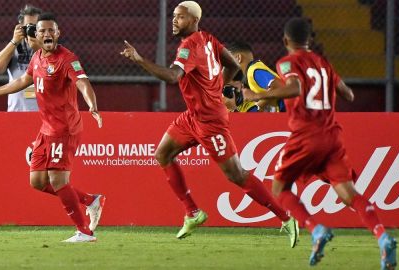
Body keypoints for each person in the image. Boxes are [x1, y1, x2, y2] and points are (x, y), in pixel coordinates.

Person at [120, 1, 299, 247]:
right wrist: (218, 89)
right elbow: (234, 65)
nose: (174, 20)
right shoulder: (208, 38)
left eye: (180, 17)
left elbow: (173, 76)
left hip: (211, 122)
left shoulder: (189, 46)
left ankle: (286, 217)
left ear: (193, 20)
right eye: (173, 16)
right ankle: (193, 212)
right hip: (193, 116)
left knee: (236, 175)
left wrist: (140, 59)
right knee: (163, 153)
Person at [244, 18, 397, 269]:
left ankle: (316, 230)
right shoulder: (324, 64)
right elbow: (348, 93)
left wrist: (258, 95)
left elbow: (293, 88)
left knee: (279, 188)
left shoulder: (287, 62)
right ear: (310, 40)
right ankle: (382, 236)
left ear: (285, 41)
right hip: (332, 136)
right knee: (349, 194)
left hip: (306, 134)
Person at [0, 12, 106, 243]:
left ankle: (84, 232)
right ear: (37, 34)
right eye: (42, 30)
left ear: (58, 33)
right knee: (37, 182)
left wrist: (92, 105)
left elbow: (82, 82)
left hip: (65, 129)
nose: (47, 34)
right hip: (46, 130)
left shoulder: (67, 59)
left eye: (51, 30)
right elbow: (23, 81)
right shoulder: (37, 57)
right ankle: (90, 200)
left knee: (58, 181)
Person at [0, 4, 41, 112]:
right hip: (17, 111)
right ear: (21, 26)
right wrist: (14, 41)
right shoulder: (14, 47)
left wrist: (38, 46)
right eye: (28, 26)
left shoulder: (50, 47)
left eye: (35, 27)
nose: (32, 30)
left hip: (44, 113)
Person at [224, 41, 285, 113]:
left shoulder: (253, 70)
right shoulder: (249, 75)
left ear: (238, 58)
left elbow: (280, 86)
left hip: (287, 110)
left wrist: (259, 106)